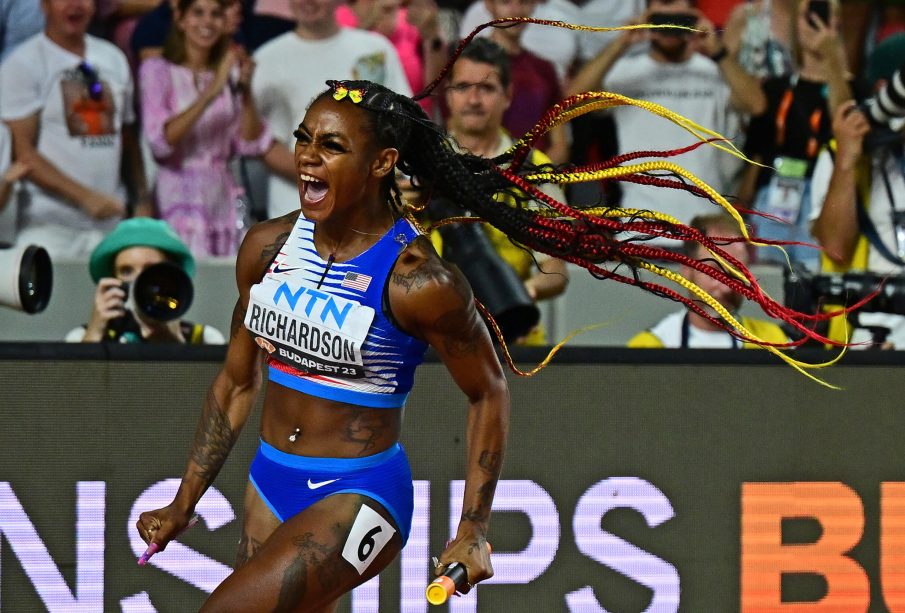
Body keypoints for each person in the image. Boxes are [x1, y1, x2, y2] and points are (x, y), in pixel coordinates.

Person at [136, 80, 508, 610]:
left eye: (332, 146)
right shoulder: (265, 249)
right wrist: (183, 501)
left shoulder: (420, 281)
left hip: (360, 493)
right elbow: (238, 383)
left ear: (381, 163)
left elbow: (488, 392)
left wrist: (473, 526)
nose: (308, 157)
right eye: (303, 138)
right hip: (270, 479)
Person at [567, 0, 762, 241]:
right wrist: (621, 42)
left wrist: (717, 50)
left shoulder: (713, 71)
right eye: (662, 13)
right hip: (639, 226)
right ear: (648, 14)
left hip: (704, 226)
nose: (670, 24)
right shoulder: (625, 73)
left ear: (692, 14)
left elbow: (756, 105)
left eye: (677, 14)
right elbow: (571, 101)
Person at [0, 0, 149, 261]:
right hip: (49, 228)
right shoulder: (22, 64)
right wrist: (86, 198)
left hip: (110, 225)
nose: (75, 5)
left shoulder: (113, 58)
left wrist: (141, 200)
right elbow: (21, 153)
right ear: (44, 6)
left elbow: (127, 139)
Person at [442, 37, 568, 343]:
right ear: (448, 94)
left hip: (511, 336)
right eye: (463, 87)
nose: (473, 99)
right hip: (429, 336)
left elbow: (555, 268)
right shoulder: (412, 165)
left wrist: (523, 296)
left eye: (486, 88)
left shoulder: (534, 169)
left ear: (508, 96)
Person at [251, 0, 411, 218]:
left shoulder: (375, 49)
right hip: (294, 211)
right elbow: (255, 141)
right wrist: (326, 174)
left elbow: (403, 121)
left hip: (368, 211)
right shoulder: (266, 60)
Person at [139, 0, 274, 257]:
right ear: (180, 19)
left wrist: (245, 91)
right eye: (198, 13)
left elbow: (249, 143)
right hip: (177, 195)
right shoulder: (157, 71)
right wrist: (213, 89)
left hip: (223, 195)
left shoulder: (229, 72)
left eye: (216, 14)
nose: (207, 22)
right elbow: (160, 143)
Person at [809, 33, 905, 346]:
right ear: (885, 91)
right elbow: (836, 247)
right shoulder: (841, 153)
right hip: (871, 328)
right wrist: (848, 160)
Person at [743, 0, 853, 269]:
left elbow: (845, 119)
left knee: (814, 280)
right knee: (764, 281)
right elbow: (756, 155)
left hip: (823, 199)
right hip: (773, 197)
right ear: (795, 23)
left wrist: (832, 59)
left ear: (838, 23)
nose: (815, 22)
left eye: (825, 14)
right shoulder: (776, 88)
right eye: (808, 15)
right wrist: (740, 207)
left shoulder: (852, 88)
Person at [628, 213, 790, 347]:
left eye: (737, 275)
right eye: (714, 273)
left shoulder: (774, 342)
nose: (726, 288)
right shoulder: (651, 347)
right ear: (687, 270)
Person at [66, 217, 226, 343]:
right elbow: (75, 376)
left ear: (173, 279)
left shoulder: (204, 339)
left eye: (151, 270)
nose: (138, 281)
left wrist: (175, 347)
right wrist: (94, 337)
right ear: (112, 280)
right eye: (126, 271)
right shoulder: (79, 337)